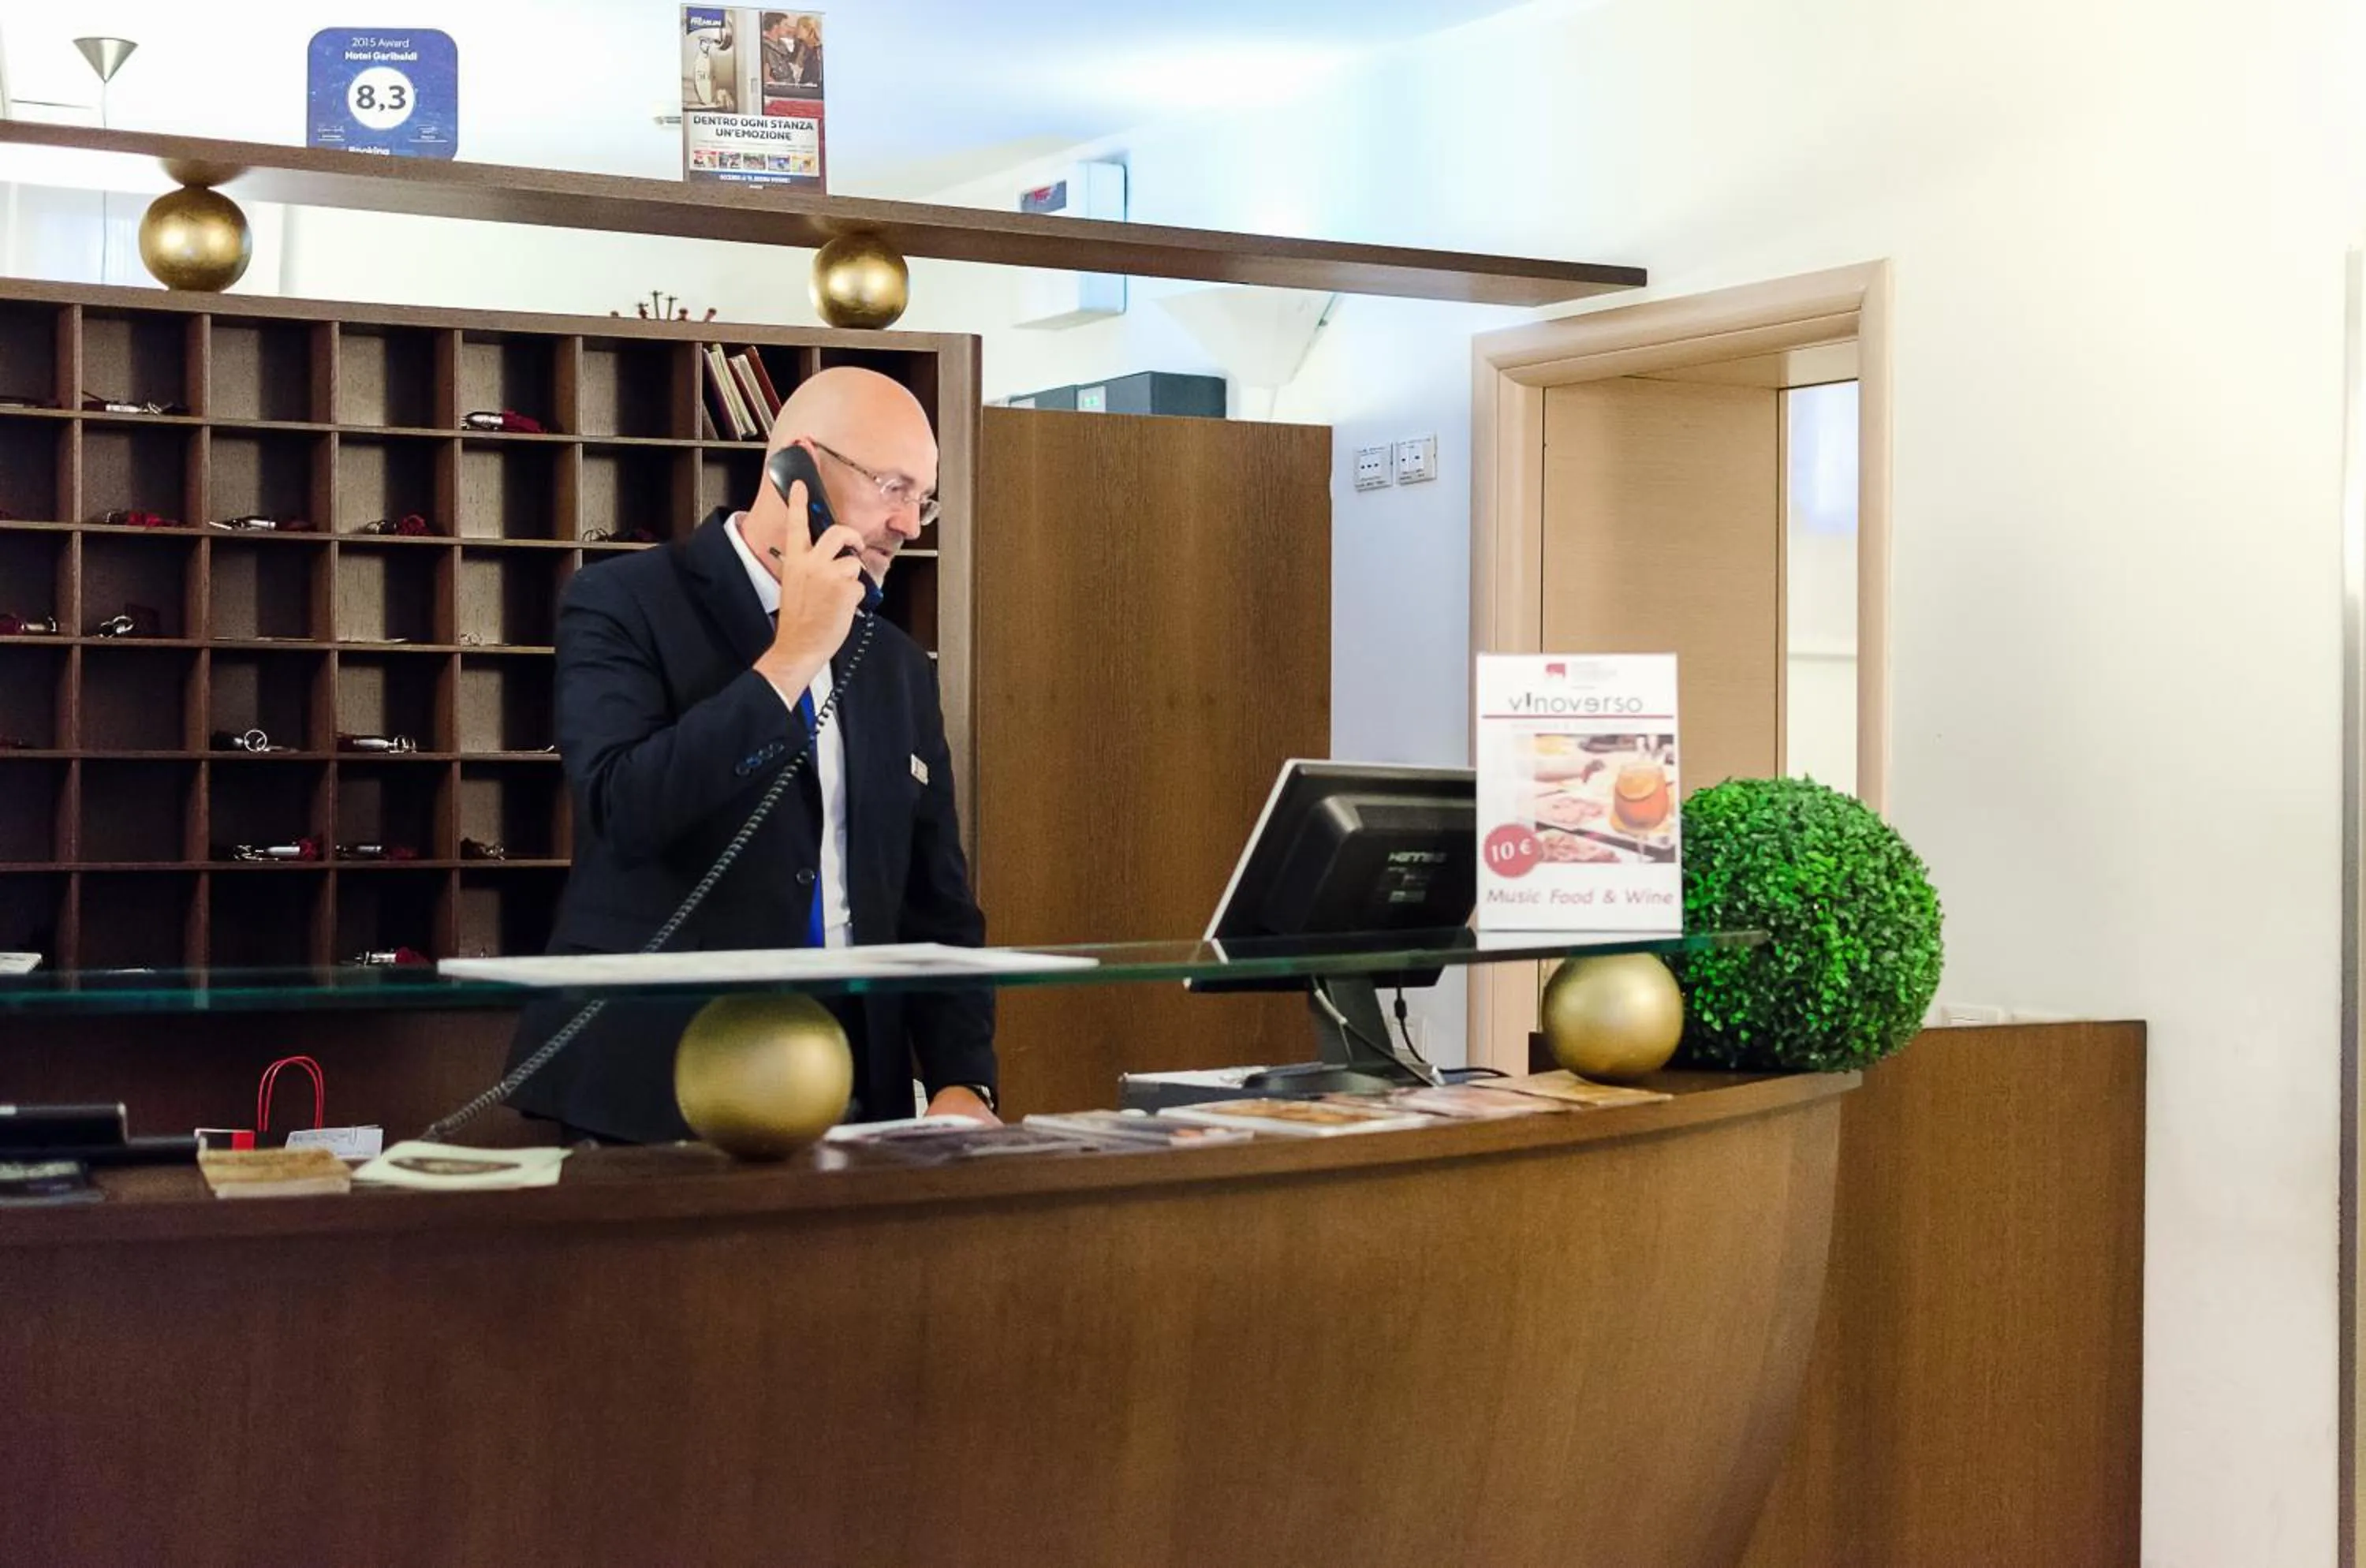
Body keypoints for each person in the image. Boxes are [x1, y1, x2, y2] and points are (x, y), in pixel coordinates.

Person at [503, 368, 998, 1144]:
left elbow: (937, 899)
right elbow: (623, 809)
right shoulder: (622, 601)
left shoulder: (898, 663)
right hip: (655, 1086)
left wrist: (962, 1078)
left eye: (923, 498)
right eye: (892, 486)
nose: (910, 523)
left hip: (852, 1085)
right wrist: (791, 658)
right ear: (795, 468)